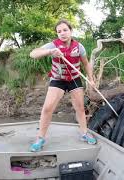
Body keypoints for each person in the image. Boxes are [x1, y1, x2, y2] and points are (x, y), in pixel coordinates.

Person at [29, 19, 97, 152]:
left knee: (80, 108)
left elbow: (86, 64)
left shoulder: (79, 47)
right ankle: (40, 138)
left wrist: (91, 79)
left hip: (74, 79)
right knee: (48, 108)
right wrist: (50, 52)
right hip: (58, 79)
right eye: (59, 31)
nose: (62, 33)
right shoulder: (52, 45)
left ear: (71, 31)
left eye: (65, 30)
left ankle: (84, 134)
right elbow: (33, 54)